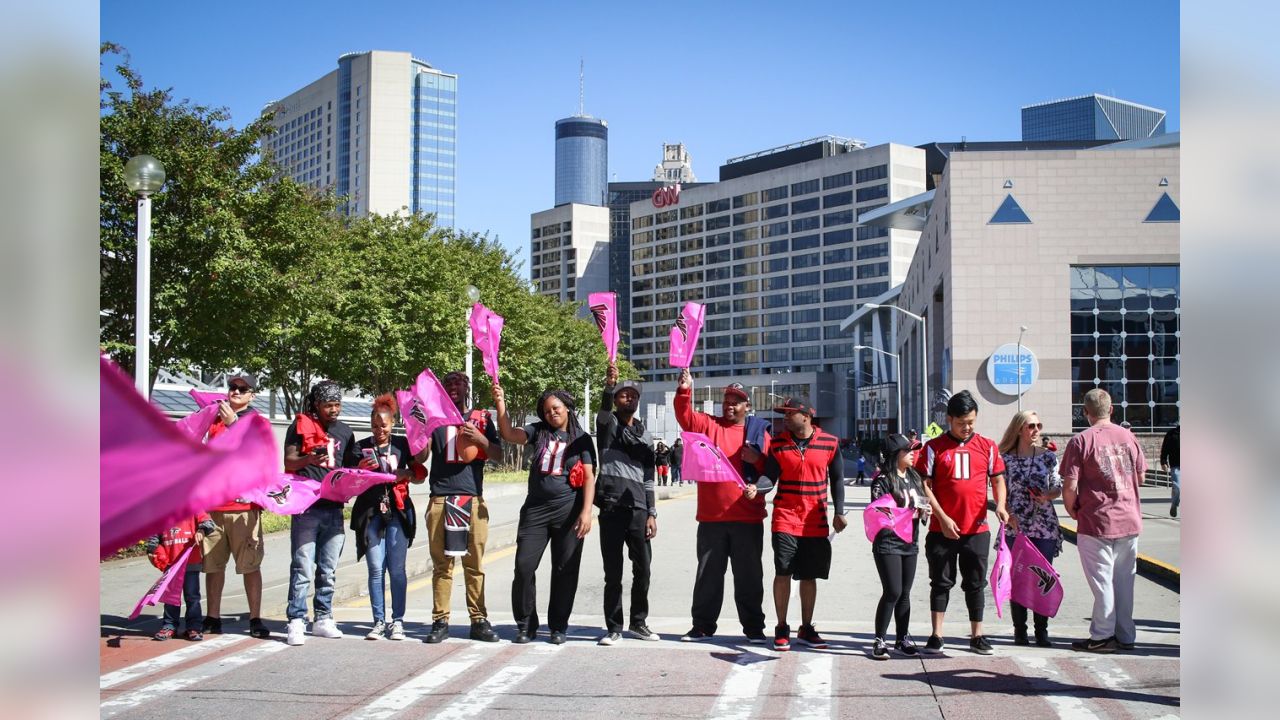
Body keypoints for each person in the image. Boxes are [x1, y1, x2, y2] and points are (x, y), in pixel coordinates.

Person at [493, 382, 596, 644]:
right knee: (524, 567)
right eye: (547, 410)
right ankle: (526, 624)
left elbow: (588, 477)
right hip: (535, 511)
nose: (551, 413)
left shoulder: (582, 439)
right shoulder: (538, 432)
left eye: (556, 408)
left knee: (565, 570)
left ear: (568, 409)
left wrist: (586, 512)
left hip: (568, 512)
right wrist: (500, 402)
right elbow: (507, 434)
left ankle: (558, 626)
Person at [673, 370, 771, 643]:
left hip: (748, 518)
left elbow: (770, 473)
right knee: (708, 576)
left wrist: (758, 459)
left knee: (749, 577)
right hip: (711, 517)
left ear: (747, 406)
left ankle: (753, 627)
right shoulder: (708, 425)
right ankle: (703, 625)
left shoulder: (758, 432)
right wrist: (684, 390)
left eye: (736, 401)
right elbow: (685, 416)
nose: (729, 404)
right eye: (726, 400)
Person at [914, 389, 1010, 655]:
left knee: (976, 583)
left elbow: (998, 479)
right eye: (961, 423)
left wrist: (1000, 505)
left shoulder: (987, 446)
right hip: (941, 529)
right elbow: (923, 485)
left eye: (971, 422)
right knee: (941, 582)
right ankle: (937, 634)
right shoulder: (933, 448)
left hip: (977, 528)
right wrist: (942, 518)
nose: (966, 428)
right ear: (949, 419)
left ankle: (977, 635)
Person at [755, 399, 846, 651]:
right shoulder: (777, 444)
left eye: (788, 413)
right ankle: (782, 626)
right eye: (783, 414)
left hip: (814, 520)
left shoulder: (830, 443)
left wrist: (839, 511)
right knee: (782, 571)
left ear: (806, 416)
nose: (784, 417)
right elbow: (769, 478)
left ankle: (806, 628)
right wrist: (757, 488)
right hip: (785, 517)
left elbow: (837, 479)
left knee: (809, 575)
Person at [1061, 389, 1146, 653]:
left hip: (1097, 519)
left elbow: (1070, 485)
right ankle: (1125, 634)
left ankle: (1102, 635)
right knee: (1124, 581)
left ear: (1085, 412)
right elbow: (1140, 478)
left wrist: (1072, 509)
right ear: (1111, 410)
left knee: (1102, 582)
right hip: (1129, 519)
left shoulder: (1080, 441)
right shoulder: (1129, 437)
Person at [423, 371, 502, 644]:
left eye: (458, 383)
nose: (453, 388)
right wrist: (420, 430)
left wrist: (480, 438)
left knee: (474, 564)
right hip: (440, 498)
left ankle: (478, 620)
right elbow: (421, 455)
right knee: (442, 565)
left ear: (467, 388)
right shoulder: (435, 420)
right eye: (448, 385)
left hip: (472, 498)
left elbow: (498, 454)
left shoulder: (481, 418)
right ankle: (439, 621)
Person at [283, 380, 358, 646]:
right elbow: (288, 461)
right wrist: (308, 460)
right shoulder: (300, 425)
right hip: (306, 508)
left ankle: (323, 617)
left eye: (337, 404)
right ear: (317, 404)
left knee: (328, 569)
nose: (334, 409)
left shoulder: (345, 431)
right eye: (329, 405)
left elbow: (353, 466)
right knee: (302, 566)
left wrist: (367, 466)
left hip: (334, 508)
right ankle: (296, 620)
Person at [198, 374, 271, 640]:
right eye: (232, 387)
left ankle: (255, 618)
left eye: (243, 389)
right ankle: (212, 617)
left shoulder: (257, 422)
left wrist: (234, 424)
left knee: (250, 565)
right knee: (213, 565)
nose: (236, 392)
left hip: (244, 508)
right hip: (215, 505)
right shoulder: (212, 420)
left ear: (252, 395)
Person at [350, 394, 424, 641]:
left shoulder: (402, 445)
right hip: (371, 514)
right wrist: (360, 470)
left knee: (397, 569)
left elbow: (420, 473)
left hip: (398, 512)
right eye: (374, 425)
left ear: (392, 423)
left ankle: (398, 621)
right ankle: (378, 621)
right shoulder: (360, 447)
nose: (379, 430)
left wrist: (405, 472)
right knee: (374, 569)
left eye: (384, 425)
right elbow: (349, 480)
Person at [594, 361, 658, 645]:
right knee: (613, 573)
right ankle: (614, 627)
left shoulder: (644, 435)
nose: (629, 397)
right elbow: (605, 409)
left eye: (633, 394)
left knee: (643, 569)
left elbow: (648, 477)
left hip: (639, 510)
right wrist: (609, 385)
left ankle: (638, 622)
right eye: (623, 394)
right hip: (610, 506)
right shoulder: (608, 426)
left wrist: (652, 512)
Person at [998, 410, 1062, 647]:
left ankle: (1042, 632)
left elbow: (1057, 486)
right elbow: (998, 491)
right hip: (1016, 524)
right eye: (1031, 426)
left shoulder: (1048, 457)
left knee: (1042, 578)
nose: (1036, 430)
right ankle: (1020, 631)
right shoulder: (1005, 458)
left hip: (1044, 525)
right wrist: (1006, 512)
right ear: (1019, 429)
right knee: (1018, 578)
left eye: (1038, 425)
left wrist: (1047, 495)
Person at [868, 434, 932, 659]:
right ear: (896, 455)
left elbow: (923, 501)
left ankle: (902, 639)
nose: (913, 454)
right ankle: (879, 640)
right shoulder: (883, 480)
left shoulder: (914, 476)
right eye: (908, 451)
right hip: (888, 543)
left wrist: (924, 511)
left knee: (905, 593)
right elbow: (878, 513)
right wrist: (906, 513)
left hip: (910, 543)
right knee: (892, 591)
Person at [146, 513, 216, 641]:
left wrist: (201, 530)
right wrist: (152, 548)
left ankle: (194, 627)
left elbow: (209, 523)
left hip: (190, 561)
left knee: (192, 596)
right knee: (170, 598)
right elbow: (154, 533)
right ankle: (169, 626)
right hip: (170, 563)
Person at [1160, 424, 1179, 518]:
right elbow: (1165, 449)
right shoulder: (1171, 434)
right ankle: (1175, 504)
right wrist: (1163, 461)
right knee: (1177, 487)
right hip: (1176, 465)